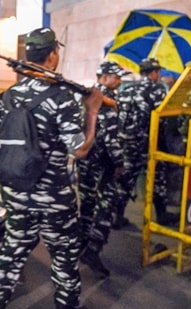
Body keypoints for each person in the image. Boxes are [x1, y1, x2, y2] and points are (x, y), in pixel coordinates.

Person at [0, 27, 103, 309]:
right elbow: (80, 149)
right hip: (54, 201)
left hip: (17, 196)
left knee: (9, 260)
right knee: (64, 263)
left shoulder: (7, 97)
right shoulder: (62, 98)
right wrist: (92, 111)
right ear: (52, 56)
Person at [77, 61, 127, 278]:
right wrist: (119, 163)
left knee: (86, 205)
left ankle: (80, 245)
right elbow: (109, 137)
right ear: (105, 77)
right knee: (106, 206)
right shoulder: (106, 101)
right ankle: (93, 249)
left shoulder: (87, 95)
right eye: (116, 76)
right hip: (102, 164)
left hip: (85, 161)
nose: (120, 80)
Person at [115, 58, 179, 226]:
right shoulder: (157, 90)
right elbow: (162, 121)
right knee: (158, 178)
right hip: (149, 143)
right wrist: (164, 147)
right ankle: (162, 214)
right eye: (158, 72)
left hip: (127, 143)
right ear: (153, 73)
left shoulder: (127, 89)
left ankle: (117, 215)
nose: (159, 75)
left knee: (126, 179)